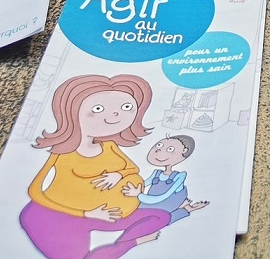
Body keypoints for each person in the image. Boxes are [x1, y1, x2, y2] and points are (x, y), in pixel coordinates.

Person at [20, 73, 172, 258]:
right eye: (98, 108)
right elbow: (35, 192)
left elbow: (132, 169)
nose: (116, 114)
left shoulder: (109, 145)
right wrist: (87, 213)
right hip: (59, 216)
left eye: (126, 107)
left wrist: (118, 175)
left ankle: (125, 243)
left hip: (108, 215)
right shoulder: (62, 152)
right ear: (72, 110)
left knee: (161, 216)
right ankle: (131, 243)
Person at [125, 135, 209, 224]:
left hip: (165, 203)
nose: (159, 150)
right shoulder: (156, 173)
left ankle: (186, 209)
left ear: (184, 151)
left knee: (159, 219)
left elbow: (165, 196)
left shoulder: (179, 176)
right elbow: (142, 184)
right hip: (150, 201)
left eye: (170, 149)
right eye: (159, 145)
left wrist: (139, 196)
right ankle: (185, 207)